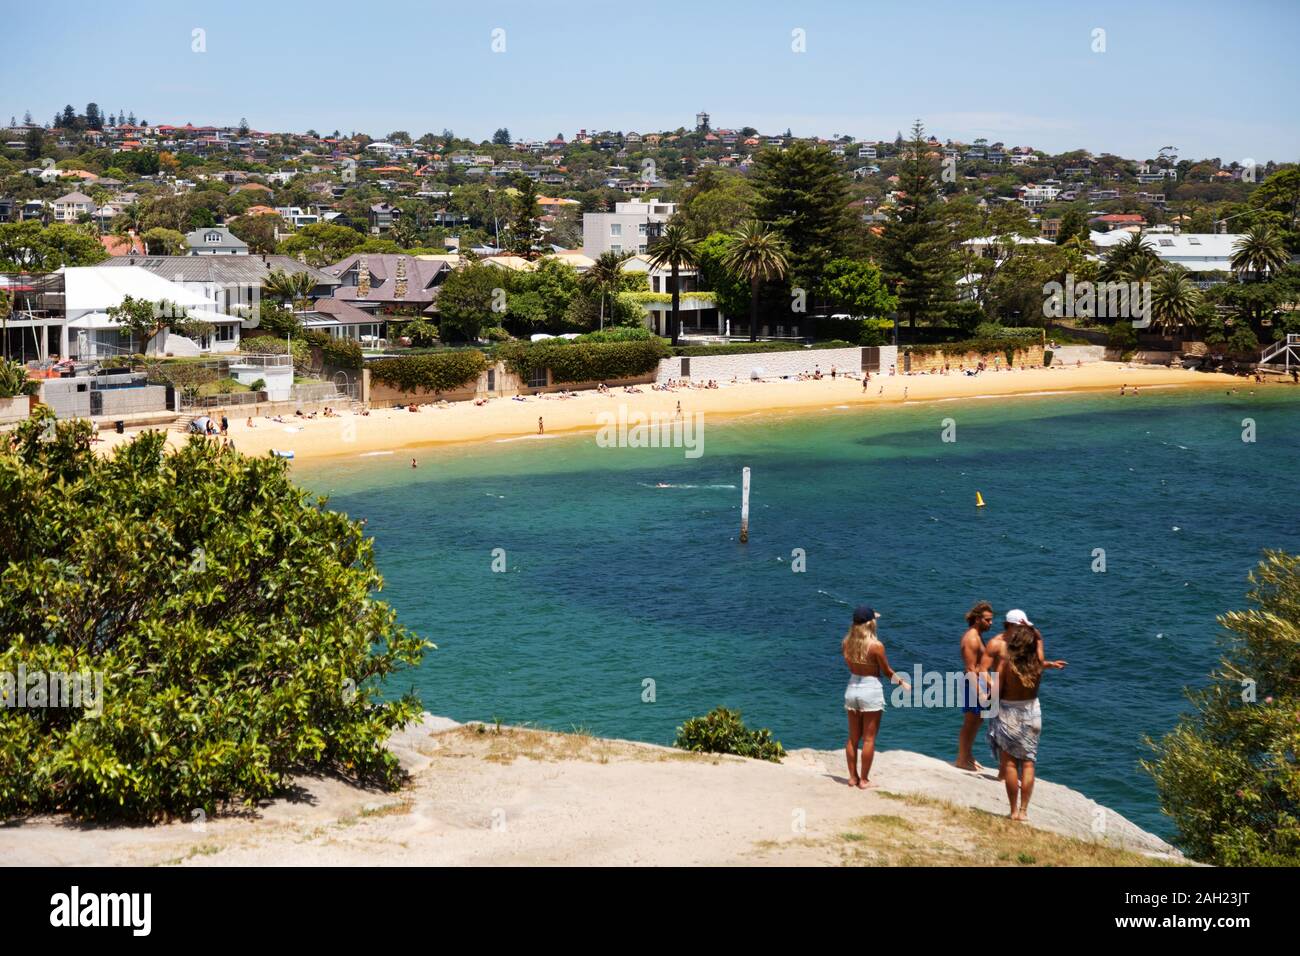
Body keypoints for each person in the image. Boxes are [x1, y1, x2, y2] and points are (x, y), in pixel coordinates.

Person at [979, 609, 1066, 780]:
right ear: (1009, 625)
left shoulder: (1023, 644)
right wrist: (993, 686)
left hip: (1016, 697)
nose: (1022, 630)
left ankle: (1007, 775)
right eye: (1019, 627)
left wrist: (1050, 665)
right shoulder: (996, 643)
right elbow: (982, 669)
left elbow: (1030, 665)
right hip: (999, 694)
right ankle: (1003, 774)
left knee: (1015, 738)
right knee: (1000, 736)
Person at [987, 623, 1061, 821]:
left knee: (1010, 765)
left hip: (1009, 714)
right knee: (1028, 764)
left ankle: (1012, 811)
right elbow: (1039, 642)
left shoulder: (1006, 665)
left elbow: (995, 693)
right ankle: (1024, 811)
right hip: (1032, 713)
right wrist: (1034, 630)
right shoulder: (1037, 664)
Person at [841, 606, 910, 789]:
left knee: (852, 738)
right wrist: (902, 682)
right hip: (870, 688)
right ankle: (864, 780)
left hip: (852, 686)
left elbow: (850, 665)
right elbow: (887, 672)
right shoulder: (876, 646)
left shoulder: (846, 643)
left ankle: (852, 778)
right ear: (870, 623)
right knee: (869, 739)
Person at [956, 600, 994, 771]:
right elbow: (970, 669)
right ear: (978, 619)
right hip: (974, 685)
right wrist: (980, 694)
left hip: (980, 684)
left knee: (977, 722)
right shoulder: (971, 639)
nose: (990, 623)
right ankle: (962, 758)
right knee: (970, 723)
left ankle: (968, 755)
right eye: (988, 619)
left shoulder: (977, 636)